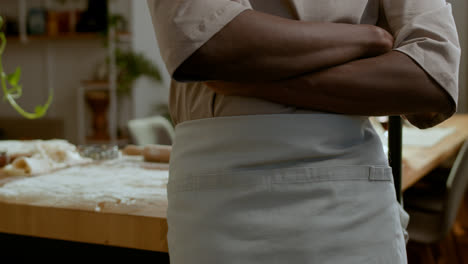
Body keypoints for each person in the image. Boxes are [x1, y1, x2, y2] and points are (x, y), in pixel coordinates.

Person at [147, 0, 460, 263]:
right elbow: (202, 41)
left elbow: (432, 75)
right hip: (221, 203)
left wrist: (249, 78)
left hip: (352, 204)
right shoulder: (368, 38)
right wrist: (367, 38)